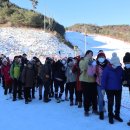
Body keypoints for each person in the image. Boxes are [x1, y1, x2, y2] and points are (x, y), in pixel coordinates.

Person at [101, 52, 123, 124]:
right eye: (115, 65)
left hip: (118, 88)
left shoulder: (120, 68)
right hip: (109, 89)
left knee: (118, 102)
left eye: (118, 64)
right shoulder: (107, 69)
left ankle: (117, 115)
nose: (116, 66)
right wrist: (103, 88)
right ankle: (110, 116)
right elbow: (103, 79)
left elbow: (122, 77)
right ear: (112, 63)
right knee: (110, 103)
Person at [79, 50, 97, 116]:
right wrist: (88, 62)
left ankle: (94, 109)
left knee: (94, 96)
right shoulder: (82, 60)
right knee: (86, 96)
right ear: (86, 54)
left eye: (92, 54)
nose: (91, 55)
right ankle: (86, 110)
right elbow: (82, 68)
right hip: (85, 80)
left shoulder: (93, 61)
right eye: (90, 54)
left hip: (93, 81)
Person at [95, 51, 108, 120]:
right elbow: (91, 73)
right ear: (97, 58)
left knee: (110, 99)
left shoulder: (109, 64)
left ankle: (111, 113)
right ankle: (101, 112)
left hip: (108, 84)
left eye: (102, 57)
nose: (101, 58)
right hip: (99, 84)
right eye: (100, 57)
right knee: (100, 98)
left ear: (105, 58)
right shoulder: (96, 65)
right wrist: (91, 66)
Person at [122, 52, 130, 126]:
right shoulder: (125, 70)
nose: (127, 64)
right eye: (125, 62)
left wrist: (127, 81)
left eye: (128, 62)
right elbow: (124, 78)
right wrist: (124, 82)